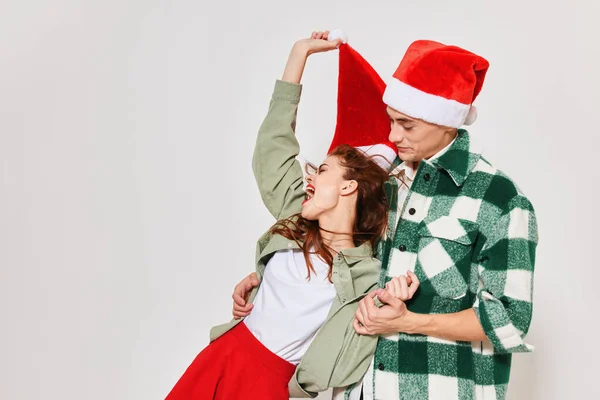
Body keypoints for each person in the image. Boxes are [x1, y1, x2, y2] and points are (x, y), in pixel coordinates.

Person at [234, 38, 539, 400]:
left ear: (446, 121)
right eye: (392, 121)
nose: (393, 136)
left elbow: (511, 319)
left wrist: (410, 322)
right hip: (356, 389)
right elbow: (330, 243)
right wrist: (277, 275)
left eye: (407, 125)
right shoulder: (379, 182)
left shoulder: (499, 198)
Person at [166, 31, 419, 400]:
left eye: (323, 171)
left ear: (349, 188)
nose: (310, 178)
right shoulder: (297, 221)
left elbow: (353, 345)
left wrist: (394, 300)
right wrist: (299, 55)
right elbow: (272, 152)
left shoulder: (367, 272)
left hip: (270, 382)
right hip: (224, 353)